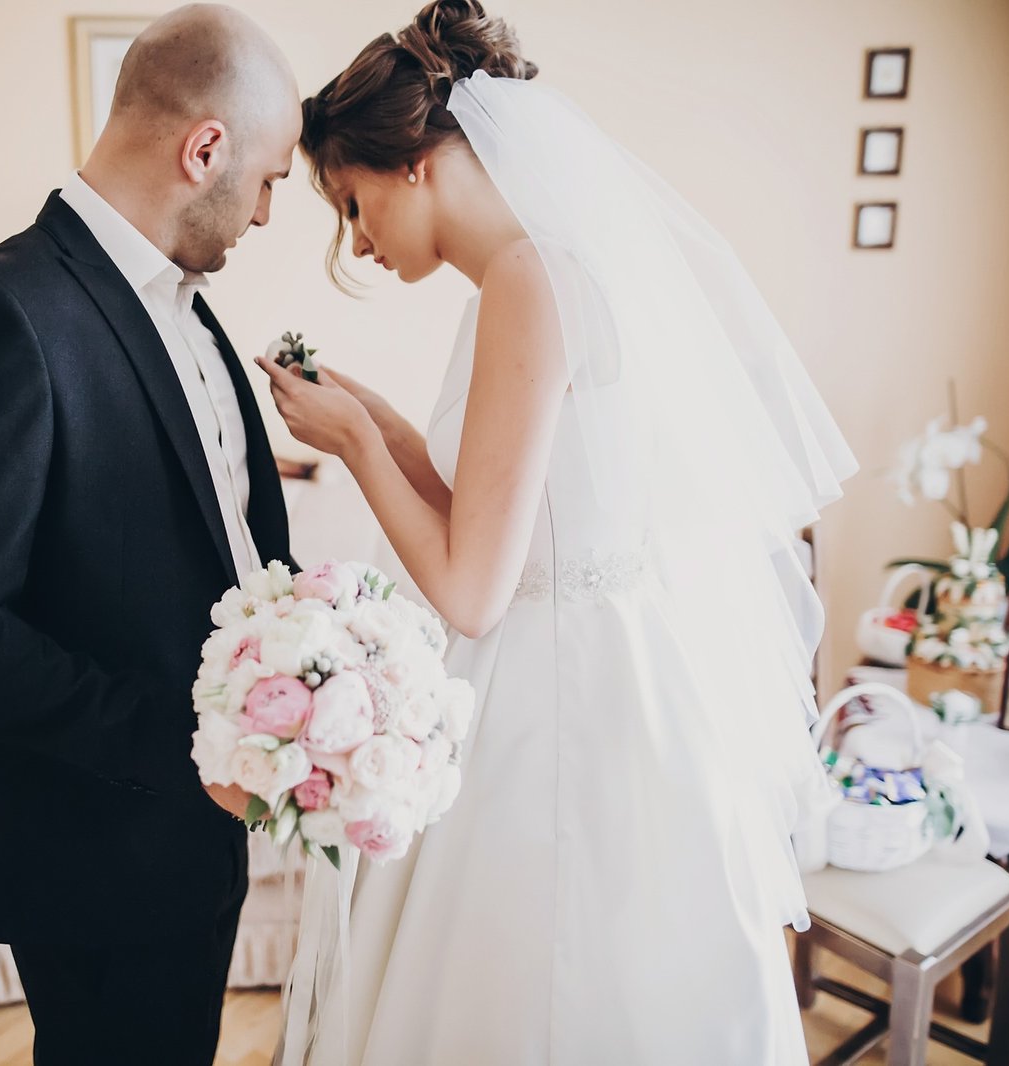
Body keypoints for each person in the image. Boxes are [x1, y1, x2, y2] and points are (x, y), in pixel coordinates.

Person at [257, 2, 857, 1062]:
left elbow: (473, 589)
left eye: (351, 205)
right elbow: (499, 516)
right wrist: (385, 425)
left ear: (415, 165)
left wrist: (354, 444)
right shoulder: (532, 276)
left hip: (559, 703)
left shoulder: (531, 282)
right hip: (598, 673)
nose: (357, 241)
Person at [0, 7, 300, 1063]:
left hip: (199, 836)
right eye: (271, 179)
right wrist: (181, 747)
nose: (266, 212)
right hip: (96, 850)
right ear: (205, 149)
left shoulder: (190, 309)